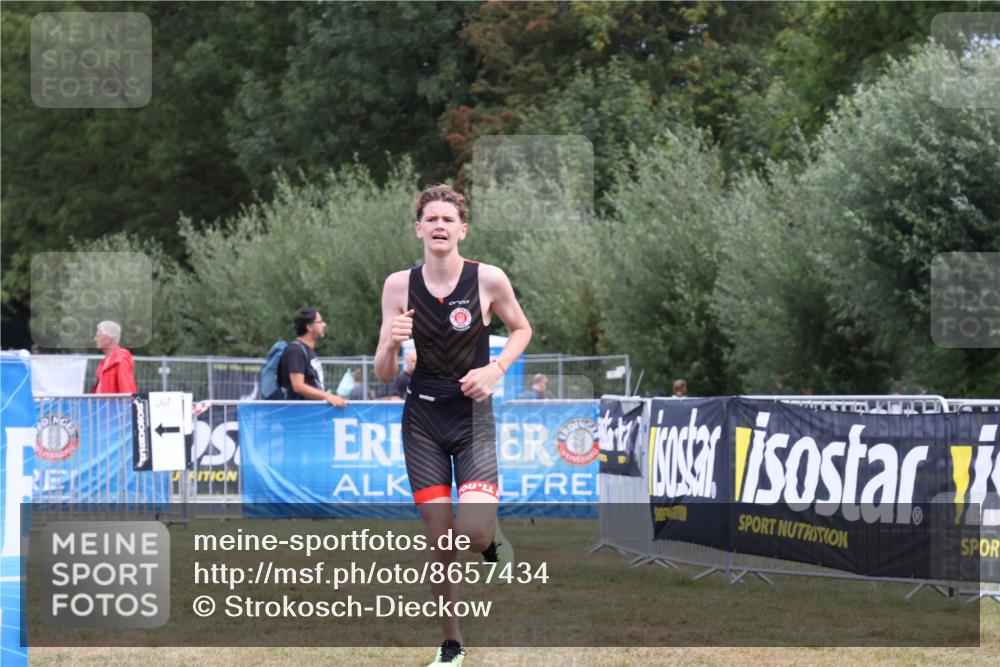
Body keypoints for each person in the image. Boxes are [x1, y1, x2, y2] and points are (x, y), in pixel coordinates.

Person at [374, 184, 532, 666]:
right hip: (422, 420)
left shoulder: (488, 278)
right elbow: (383, 373)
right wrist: (392, 344)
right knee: (440, 540)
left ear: (462, 230)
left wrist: (496, 369)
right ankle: (452, 644)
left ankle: (493, 541)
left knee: (475, 533)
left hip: (472, 419)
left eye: (448, 219)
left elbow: (522, 329)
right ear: (418, 229)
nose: (439, 226)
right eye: (431, 219)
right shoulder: (398, 286)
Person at [277, 308, 346, 408]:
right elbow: (298, 386)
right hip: (298, 414)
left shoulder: (307, 351)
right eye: (320, 322)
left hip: (310, 412)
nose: (324, 324)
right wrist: (327, 396)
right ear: (309, 327)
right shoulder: (295, 350)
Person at [91, 320, 137, 394]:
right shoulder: (105, 361)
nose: (95, 339)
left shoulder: (120, 361)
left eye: (98, 336)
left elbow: (127, 393)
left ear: (107, 339)